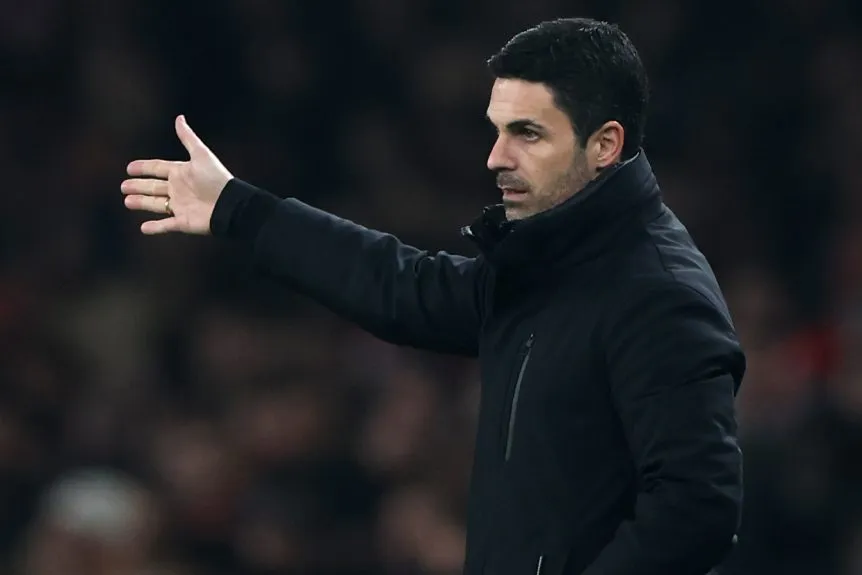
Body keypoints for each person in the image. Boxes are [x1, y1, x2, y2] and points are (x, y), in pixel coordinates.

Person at [121, 17, 745, 575]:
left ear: (604, 144)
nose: (495, 157)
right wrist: (238, 208)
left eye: (527, 133)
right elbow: (401, 286)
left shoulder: (658, 293)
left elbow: (696, 508)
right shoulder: (548, 266)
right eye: (497, 130)